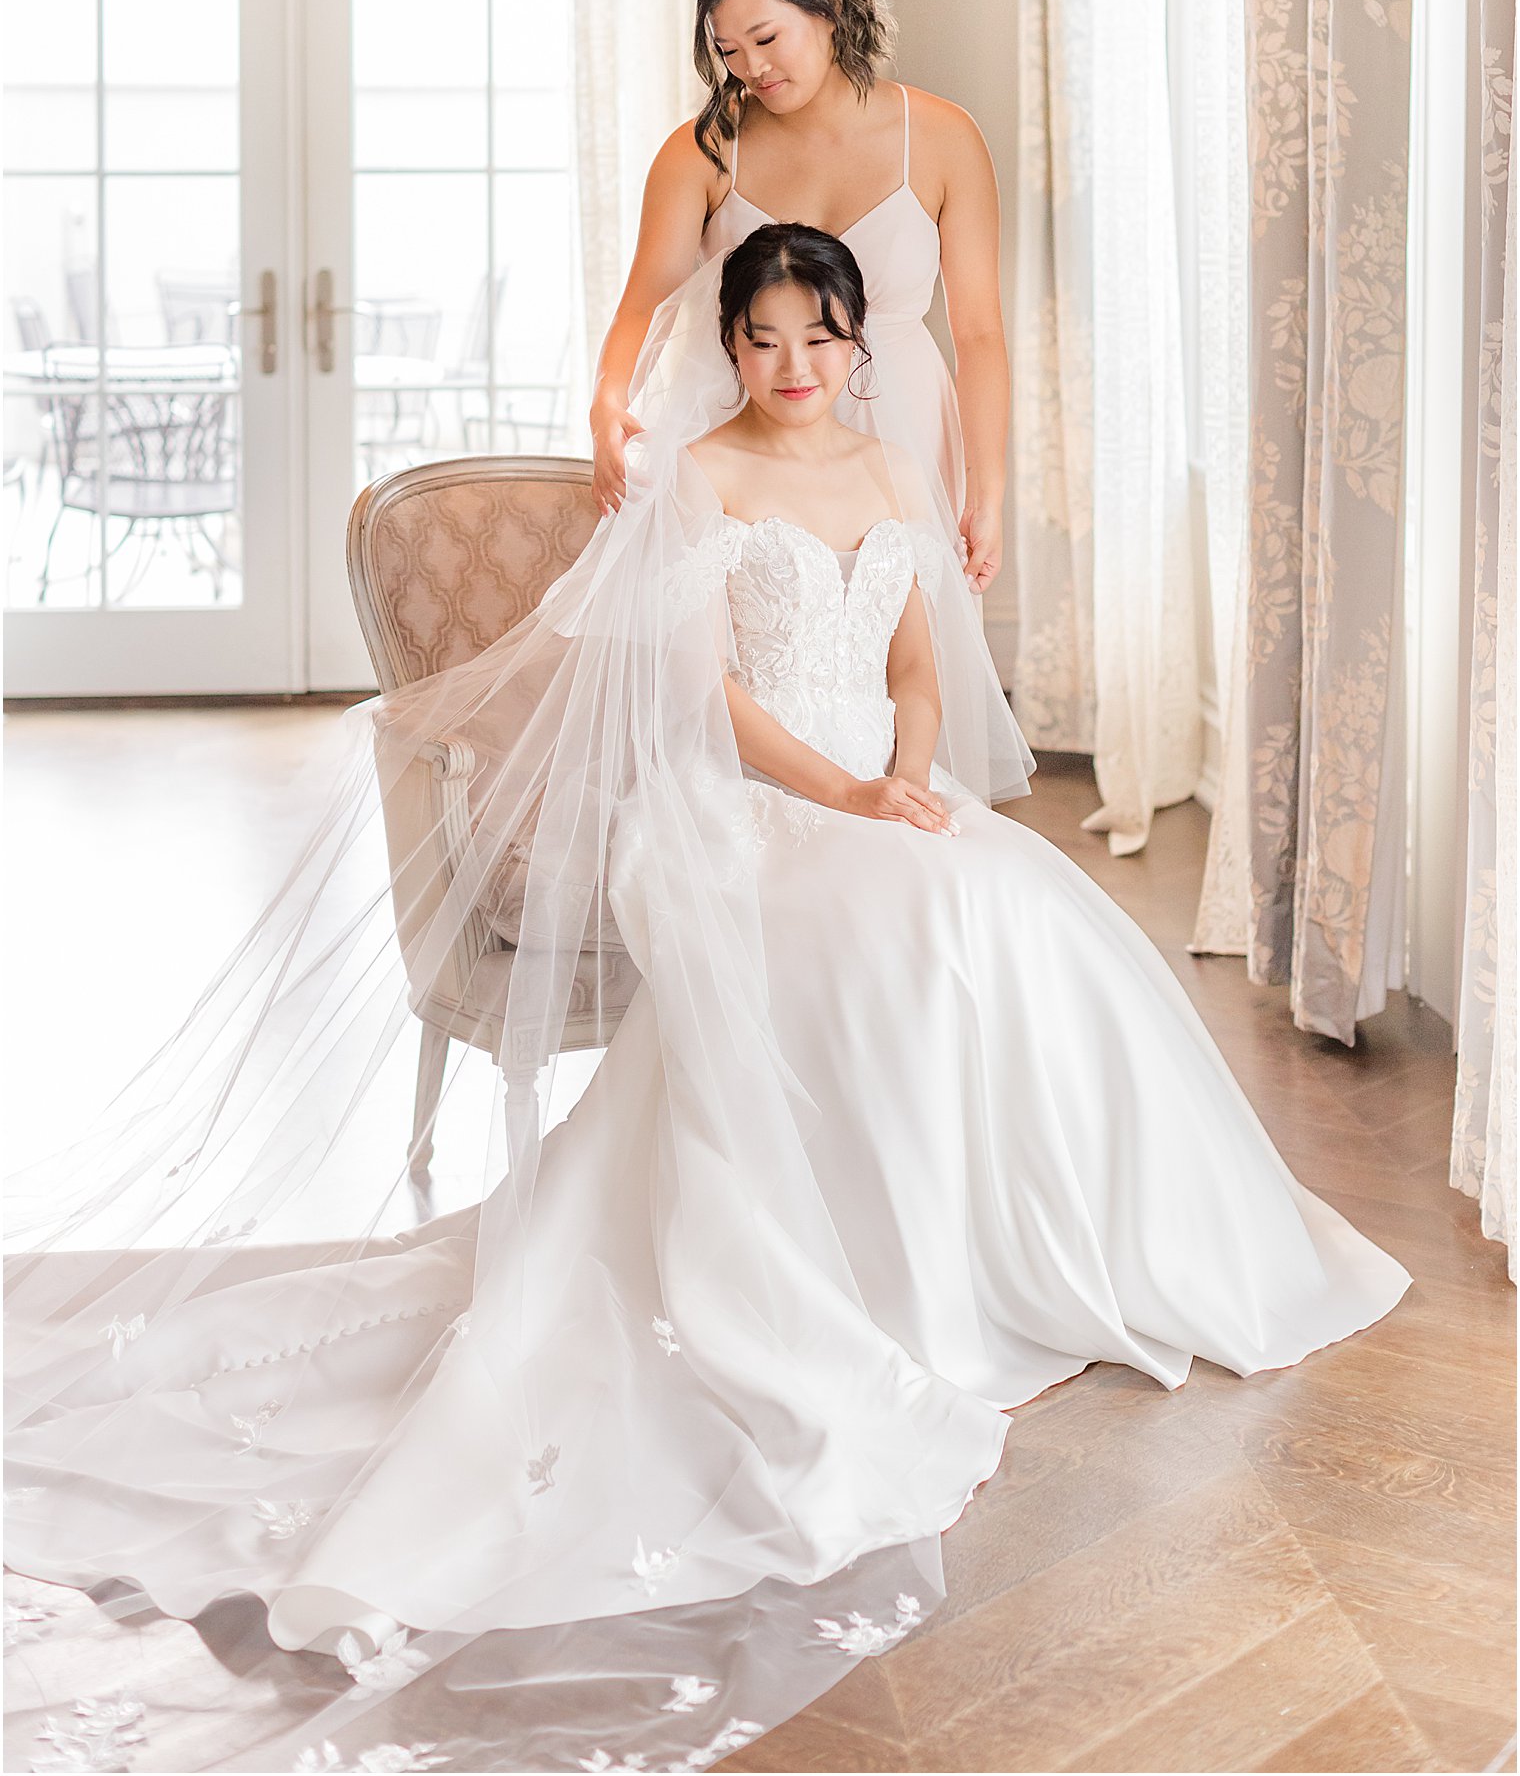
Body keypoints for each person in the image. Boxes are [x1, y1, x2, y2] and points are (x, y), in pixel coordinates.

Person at [4, 233, 1410, 1776]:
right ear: (727, 348)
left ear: (859, 342)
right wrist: (843, 792)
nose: (793, 365)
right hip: (740, 814)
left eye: (820, 337)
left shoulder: (890, 467)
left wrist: (907, 775)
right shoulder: (701, 479)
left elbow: (924, 658)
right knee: (916, 940)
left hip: (885, 793)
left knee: (1029, 910)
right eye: (763, 339)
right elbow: (705, 703)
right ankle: (913, 1280)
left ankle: (1055, 1252)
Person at [590, 0, 1009, 595]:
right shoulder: (700, 152)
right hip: (748, 432)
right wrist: (606, 404)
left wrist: (987, 492)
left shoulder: (943, 139)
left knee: (905, 659)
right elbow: (643, 306)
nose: (750, 67)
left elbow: (981, 333)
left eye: (765, 38)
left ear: (827, 5)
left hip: (902, 423)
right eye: (727, 51)